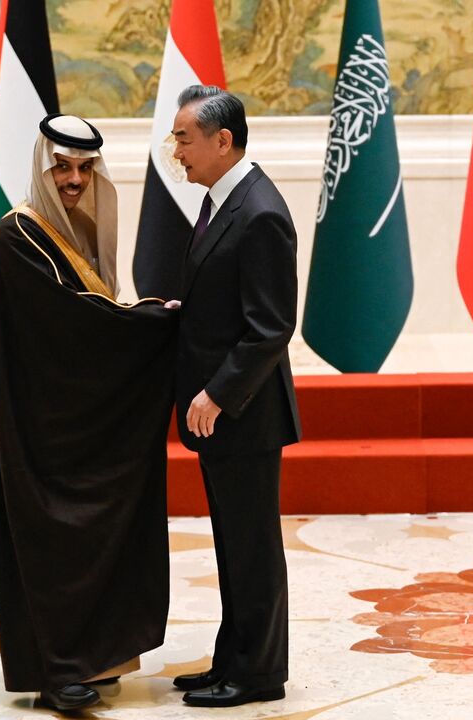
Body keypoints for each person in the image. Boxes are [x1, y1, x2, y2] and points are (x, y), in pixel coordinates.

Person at [0, 114, 178, 712]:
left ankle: (96, 655)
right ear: (44, 169)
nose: (73, 180)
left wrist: (137, 320)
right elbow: (71, 325)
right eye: (61, 168)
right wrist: (150, 322)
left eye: (84, 169)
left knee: (95, 532)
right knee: (53, 542)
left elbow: (87, 319)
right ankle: (54, 669)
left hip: (73, 417)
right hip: (37, 429)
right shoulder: (18, 235)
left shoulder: (73, 230)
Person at [167, 85, 301, 708]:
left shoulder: (261, 212)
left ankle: (258, 673)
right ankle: (232, 658)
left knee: (251, 548)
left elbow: (271, 326)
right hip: (223, 413)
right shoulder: (223, 199)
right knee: (232, 543)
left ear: (223, 141)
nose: (177, 151)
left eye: (185, 139)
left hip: (243, 413)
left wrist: (216, 395)